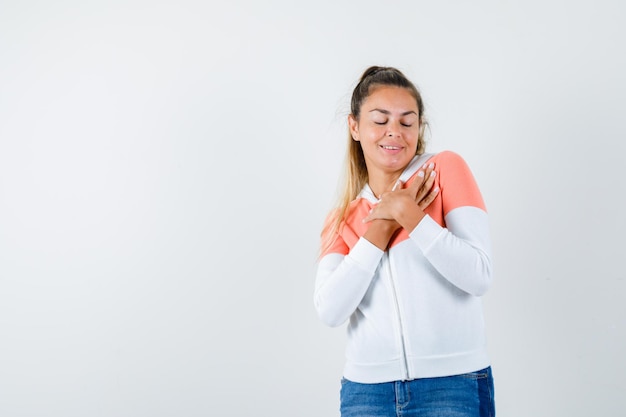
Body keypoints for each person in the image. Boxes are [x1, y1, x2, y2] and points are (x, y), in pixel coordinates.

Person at [314, 66, 495, 417]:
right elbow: (330, 311)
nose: (393, 132)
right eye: (380, 120)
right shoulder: (341, 217)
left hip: (452, 384)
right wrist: (379, 230)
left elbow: (479, 275)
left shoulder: (443, 171)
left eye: (406, 121)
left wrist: (412, 216)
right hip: (366, 394)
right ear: (354, 126)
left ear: (419, 127)